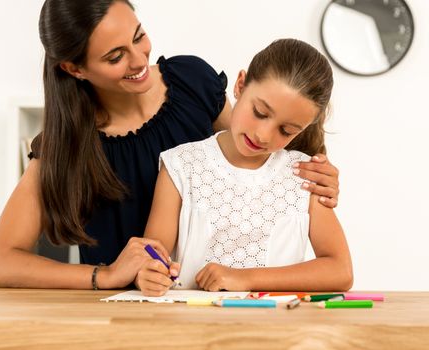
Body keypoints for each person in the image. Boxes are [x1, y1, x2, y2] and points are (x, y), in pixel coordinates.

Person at [0, 0, 340, 290]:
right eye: (114, 56)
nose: (139, 61)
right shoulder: (67, 144)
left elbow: (254, 153)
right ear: (75, 69)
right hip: (128, 314)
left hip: (208, 302)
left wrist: (316, 180)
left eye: (139, 37)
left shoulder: (192, 84)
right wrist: (103, 276)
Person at [137, 39, 352, 296]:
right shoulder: (181, 165)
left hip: (277, 328)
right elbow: (152, 258)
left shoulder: (305, 176)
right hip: (193, 326)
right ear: (240, 85)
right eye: (260, 112)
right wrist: (149, 274)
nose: (263, 135)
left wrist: (244, 278)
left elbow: (340, 271)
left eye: (286, 130)